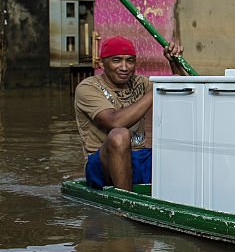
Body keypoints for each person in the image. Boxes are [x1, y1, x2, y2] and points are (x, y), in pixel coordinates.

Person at [74, 35, 187, 190]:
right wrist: (157, 90)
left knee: (182, 142)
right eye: (116, 60)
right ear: (101, 63)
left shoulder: (140, 82)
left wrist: (174, 62)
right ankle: (125, 202)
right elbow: (115, 122)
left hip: (138, 157)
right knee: (119, 135)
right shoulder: (88, 88)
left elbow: (181, 93)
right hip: (102, 163)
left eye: (130, 60)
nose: (125, 67)